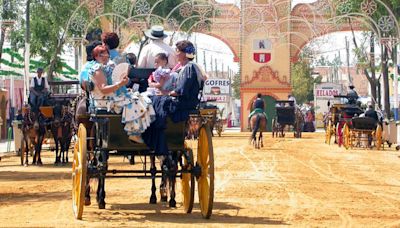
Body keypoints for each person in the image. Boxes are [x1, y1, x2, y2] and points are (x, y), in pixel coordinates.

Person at [142, 40, 205, 155]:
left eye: (177, 51)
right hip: (184, 100)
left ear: (183, 53)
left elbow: (181, 91)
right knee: (156, 99)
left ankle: (153, 134)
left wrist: (165, 93)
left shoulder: (189, 68)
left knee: (156, 101)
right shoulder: (188, 67)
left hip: (183, 102)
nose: (175, 54)